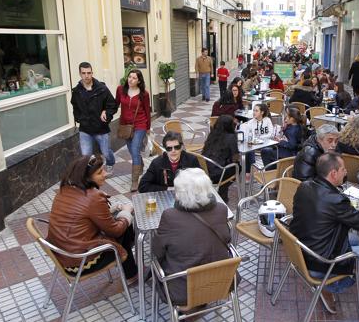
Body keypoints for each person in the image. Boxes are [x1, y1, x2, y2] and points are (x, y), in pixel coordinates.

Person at [291, 152, 359, 312]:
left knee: (354, 238)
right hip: (319, 261)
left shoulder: (304, 186)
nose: (346, 171)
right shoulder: (336, 200)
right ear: (333, 173)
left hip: (301, 249)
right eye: (343, 169)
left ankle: (333, 279)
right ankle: (331, 286)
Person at [46, 155, 137, 283]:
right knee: (124, 226)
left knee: (119, 220)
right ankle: (131, 274)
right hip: (80, 261)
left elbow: (81, 216)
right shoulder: (93, 197)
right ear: (86, 177)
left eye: (104, 169)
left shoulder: (64, 189)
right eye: (100, 172)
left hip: (63, 253)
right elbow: (115, 231)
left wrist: (111, 210)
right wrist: (126, 213)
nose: (105, 174)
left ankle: (128, 267)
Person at [151, 168, 231, 307]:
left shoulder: (170, 216)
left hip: (183, 291)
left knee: (158, 262)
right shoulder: (221, 209)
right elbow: (227, 239)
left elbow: (157, 251)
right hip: (221, 282)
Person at [70, 62, 117, 172]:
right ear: (80, 74)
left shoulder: (101, 88)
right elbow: (75, 107)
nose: (86, 75)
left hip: (101, 128)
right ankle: (92, 174)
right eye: (83, 73)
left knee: (106, 152)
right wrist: (79, 118)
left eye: (89, 73)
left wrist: (106, 113)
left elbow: (112, 105)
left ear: (92, 73)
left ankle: (110, 163)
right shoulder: (76, 91)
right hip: (85, 129)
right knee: (86, 155)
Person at [115, 69, 151, 192]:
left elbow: (147, 111)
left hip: (140, 124)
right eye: (130, 77)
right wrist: (105, 112)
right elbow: (115, 104)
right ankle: (139, 164)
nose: (131, 79)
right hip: (125, 125)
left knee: (135, 149)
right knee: (132, 150)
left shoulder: (144, 94)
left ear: (139, 81)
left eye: (134, 78)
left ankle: (134, 181)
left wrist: (148, 128)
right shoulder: (120, 90)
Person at [202, 115, 239, 202]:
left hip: (205, 169)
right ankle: (222, 192)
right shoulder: (231, 137)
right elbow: (235, 157)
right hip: (218, 173)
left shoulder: (212, 134)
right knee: (238, 167)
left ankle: (222, 193)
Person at [240, 103, 274, 178]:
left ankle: (266, 172)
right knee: (248, 149)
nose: (254, 112)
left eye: (256, 111)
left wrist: (261, 138)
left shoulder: (267, 120)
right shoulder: (251, 122)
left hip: (267, 143)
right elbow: (248, 135)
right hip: (255, 144)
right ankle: (250, 171)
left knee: (267, 150)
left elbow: (271, 133)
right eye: (253, 110)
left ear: (262, 112)